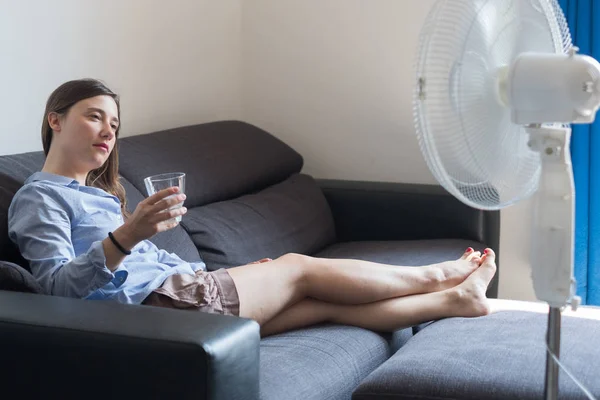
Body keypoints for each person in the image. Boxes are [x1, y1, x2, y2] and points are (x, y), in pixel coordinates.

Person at [8, 78, 497, 337]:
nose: (109, 131)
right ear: (55, 119)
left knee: (324, 307)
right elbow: (54, 290)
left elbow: (154, 264)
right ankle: (438, 276)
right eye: (94, 116)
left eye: (114, 122)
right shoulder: (39, 196)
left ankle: (456, 301)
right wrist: (128, 235)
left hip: (176, 296)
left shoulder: (100, 194)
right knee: (300, 268)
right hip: (154, 313)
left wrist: (236, 276)